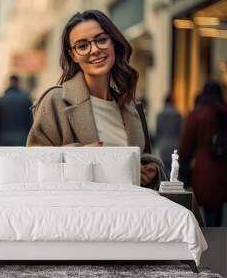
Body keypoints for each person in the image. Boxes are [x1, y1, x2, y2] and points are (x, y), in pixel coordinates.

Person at [27, 10, 165, 189]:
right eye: (82, 45)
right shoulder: (55, 101)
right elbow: (33, 165)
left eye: (101, 40)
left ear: (113, 42)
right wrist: (80, 158)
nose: (94, 50)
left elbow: (141, 158)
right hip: (80, 212)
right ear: (73, 55)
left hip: (128, 212)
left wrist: (149, 171)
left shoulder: (129, 105)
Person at [179, 81, 227, 227]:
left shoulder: (197, 114)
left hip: (203, 167)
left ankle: (210, 245)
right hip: (223, 168)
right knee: (217, 210)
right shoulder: (224, 112)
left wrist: (182, 166)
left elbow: (186, 146)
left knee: (207, 213)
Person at [0, 75, 33, 146]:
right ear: (18, 83)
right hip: (21, 138)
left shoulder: (0, 100)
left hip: (3, 138)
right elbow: (30, 121)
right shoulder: (26, 100)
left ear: (8, 83)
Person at [155, 94, 183, 177]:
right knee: (174, 170)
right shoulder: (178, 115)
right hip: (175, 145)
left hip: (163, 144)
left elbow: (158, 132)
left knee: (164, 170)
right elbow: (181, 132)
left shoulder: (160, 115)